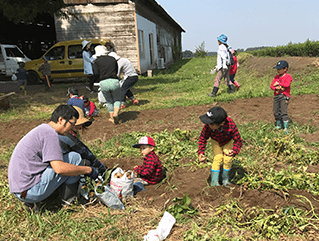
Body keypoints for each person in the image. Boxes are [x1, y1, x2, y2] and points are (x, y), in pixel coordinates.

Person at [8, 105, 99, 212]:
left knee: (66, 160)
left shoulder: (43, 129)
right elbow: (59, 169)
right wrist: (89, 170)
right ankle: (68, 202)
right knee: (74, 158)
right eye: (72, 124)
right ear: (61, 120)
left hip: (21, 189)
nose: (72, 128)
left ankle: (42, 201)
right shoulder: (50, 134)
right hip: (29, 190)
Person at [198, 106, 243, 187]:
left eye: (211, 123)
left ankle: (225, 180)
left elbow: (238, 140)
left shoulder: (230, 125)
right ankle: (214, 182)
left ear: (222, 123)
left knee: (227, 158)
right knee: (218, 157)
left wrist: (234, 150)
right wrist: (201, 152)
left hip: (228, 141)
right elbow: (203, 138)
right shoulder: (208, 126)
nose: (208, 124)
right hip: (215, 141)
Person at [59, 106, 106, 178]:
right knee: (85, 162)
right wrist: (102, 169)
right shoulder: (67, 137)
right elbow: (85, 153)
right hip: (60, 168)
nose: (80, 127)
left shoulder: (63, 133)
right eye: (77, 124)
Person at [93, 45, 121, 124]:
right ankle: (116, 114)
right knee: (117, 99)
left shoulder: (96, 61)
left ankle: (112, 118)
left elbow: (95, 73)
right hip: (114, 80)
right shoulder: (113, 59)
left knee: (109, 101)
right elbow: (116, 70)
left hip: (103, 82)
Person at [270, 60, 292, 133]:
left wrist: (279, 84)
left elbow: (287, 84)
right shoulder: (276, 77)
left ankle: (286, 127)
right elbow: (272, 86)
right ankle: (278, 125)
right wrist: (276, 88)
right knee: (276, 111)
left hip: (284, 96)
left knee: (283, 111)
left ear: (285, 69)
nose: (278, 70)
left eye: (279, 69)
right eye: (277, 69)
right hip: (277, 96)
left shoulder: (288, 76)